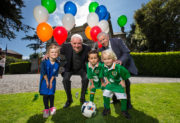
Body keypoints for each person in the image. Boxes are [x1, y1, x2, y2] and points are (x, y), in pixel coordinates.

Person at [97, 32, 138, 109]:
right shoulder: (101, 49)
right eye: (100, 40)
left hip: (121, 68)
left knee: (126, 84)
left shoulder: (117, 41)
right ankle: (115, 99)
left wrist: (120, 61)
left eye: (103, 39)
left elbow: (126, 53)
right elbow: (101, 61)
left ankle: (128, 103)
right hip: (110, 71)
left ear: (108, 37)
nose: (102, 42)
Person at [60, 34, 91, 108]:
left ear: (82, 43)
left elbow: (93, 56)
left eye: (79, 43)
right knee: (65, 80)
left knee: (86, 78)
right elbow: (57, 52)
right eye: (74, 43)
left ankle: (82, 98)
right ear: (71, 42)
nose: (77, 45)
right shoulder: (65, 46)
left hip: (81, 68)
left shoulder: (87, 48)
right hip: (69, 68)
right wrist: (47, 54)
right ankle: (69, 99)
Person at [101, 49, 131, 119]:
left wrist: (123, 81)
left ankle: (124, 110)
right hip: (110, 84)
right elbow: (104, 73)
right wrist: (106, 80)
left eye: (109, 58)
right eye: (105, 59)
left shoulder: (118, 67)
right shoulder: (103, 66)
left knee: (123, 98)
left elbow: (126, 73)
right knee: (105, 95)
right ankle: (107, 109)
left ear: (113, 59)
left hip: (118, 85)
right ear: (102, 60)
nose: (107, 61)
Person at [39, 44, 60, 118]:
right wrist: (47, 81)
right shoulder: (44, 61)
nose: (54, 53)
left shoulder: (57, 63)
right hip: (44, 80)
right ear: (48, 54)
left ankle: (52, 107)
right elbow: (43, 72)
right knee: (45, 94)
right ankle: (46, 109)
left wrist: (51, 81)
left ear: (58, 54)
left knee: (51, 94)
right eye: (52, 52)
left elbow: (55, 73)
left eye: (55, 52)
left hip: (52, 80)